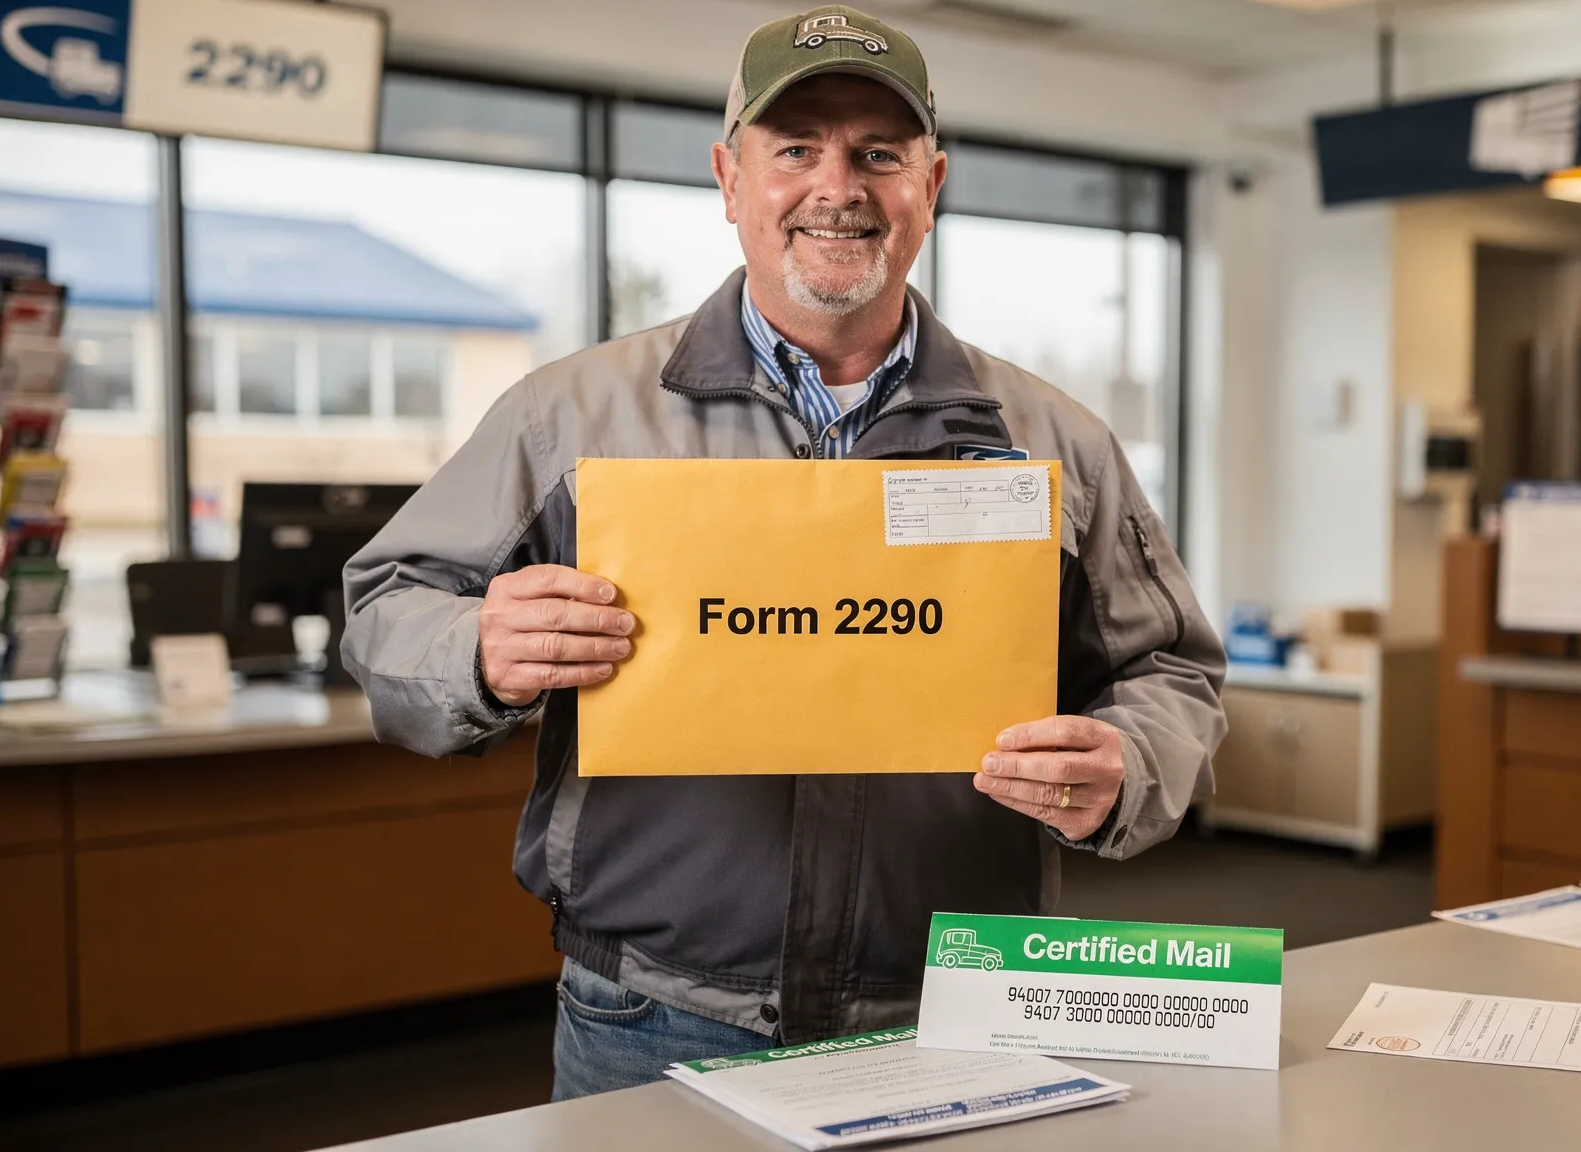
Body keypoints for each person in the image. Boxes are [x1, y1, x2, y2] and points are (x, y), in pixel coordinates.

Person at [340, 3, 1224, 1101]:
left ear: (930, 185)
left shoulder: (1053, 441)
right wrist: (477, 646)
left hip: (955, 1008)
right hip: (650, 1014)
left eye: (877, 154)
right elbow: (386, 610)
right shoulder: (566, 417)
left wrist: (1126, 765)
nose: (836, 187)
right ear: (728, 177)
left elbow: (1170, 672)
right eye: (794, 149)